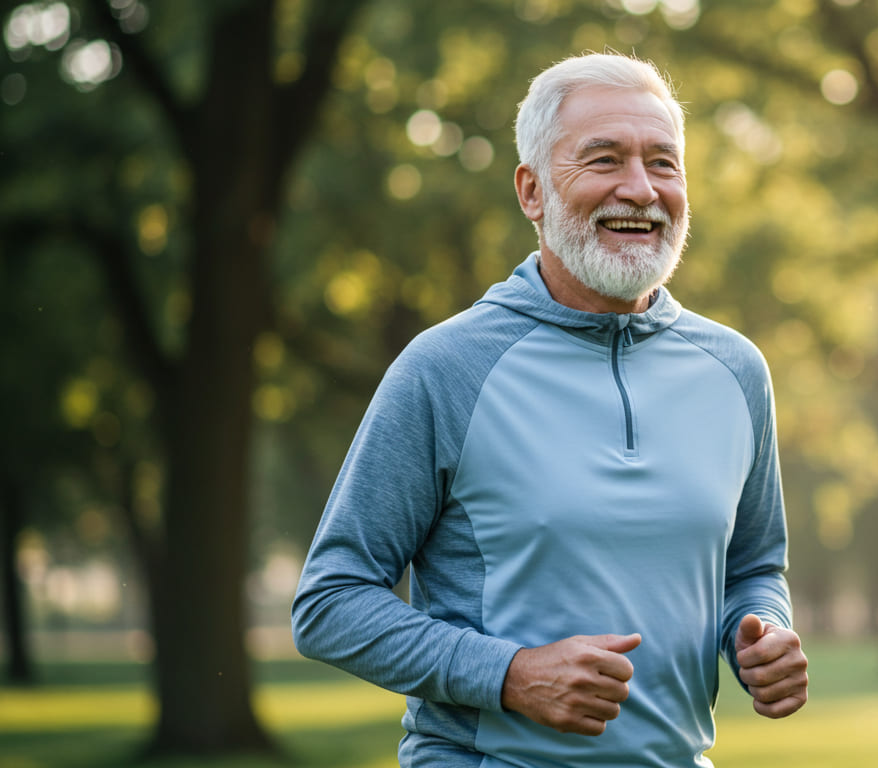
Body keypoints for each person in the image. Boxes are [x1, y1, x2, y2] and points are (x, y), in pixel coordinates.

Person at [291, 52, 808, 767]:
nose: (641, 189)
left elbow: (753, 565)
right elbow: (330, 603)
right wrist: (510, 676)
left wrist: (762, 633)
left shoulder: (736, 371)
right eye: (603, 160)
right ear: (532, 192)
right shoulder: (447, 368)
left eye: (663, 162)